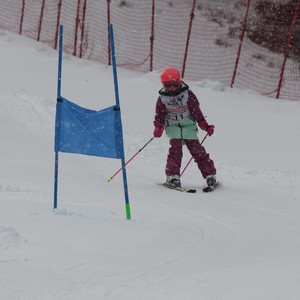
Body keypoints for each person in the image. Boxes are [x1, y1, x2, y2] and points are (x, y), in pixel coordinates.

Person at [153, 67, 217, 189]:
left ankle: (210, 175)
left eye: (175, 84)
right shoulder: (162, 98)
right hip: (173, 126)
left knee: (197, 150)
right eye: (168, 85)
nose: (171, 88)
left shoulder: (188, 94)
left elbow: (196, 111)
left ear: (180, 82)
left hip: (188, 125)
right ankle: (172, 176)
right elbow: (159, 114)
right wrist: (158, 127)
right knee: (175, 150)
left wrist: (205, 126)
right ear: (163, 85)